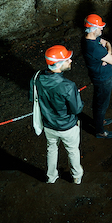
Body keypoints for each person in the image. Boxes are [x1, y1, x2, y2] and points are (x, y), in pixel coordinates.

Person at [29, 45, 84, 184]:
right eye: (67, 59)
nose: (71, 61)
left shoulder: (36, 78)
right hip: (68, 127)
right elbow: (77, 109)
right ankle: (76, 176)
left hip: (48, 125)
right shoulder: (68, 86)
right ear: (58, 64)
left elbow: (32, 98)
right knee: (72, 150)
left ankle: (51, 177)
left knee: (51, 149)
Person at [81, 14, 112, 139]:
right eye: (100, 27)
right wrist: (108, 50)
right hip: (102, 79)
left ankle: (99, 121)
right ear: (93, 29)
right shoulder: (94, 48)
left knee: (99, 102)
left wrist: (105, 53)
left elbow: (104, 42)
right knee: (102, 104)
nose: (102, 29)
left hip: (98, 76)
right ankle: (100, 131)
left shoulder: (88, 39)